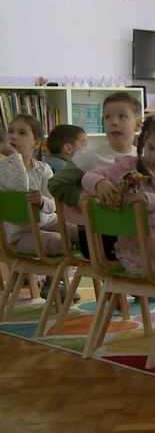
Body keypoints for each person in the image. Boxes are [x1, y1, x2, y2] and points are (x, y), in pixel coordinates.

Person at [82, 114, 155, 284]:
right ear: (145, 140)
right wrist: (100, 183)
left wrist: (146, 198)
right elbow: (88, 177)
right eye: (150, 148)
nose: (154, 157)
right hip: (134, 253)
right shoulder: (128, 165)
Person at [49, 91, 141, 259]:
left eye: (122, 117)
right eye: (108, 117)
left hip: (135, 235)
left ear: (138, 125)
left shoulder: (143, 159)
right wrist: (78, 197)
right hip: (98, 239)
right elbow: (55, 183)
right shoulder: (89, 156)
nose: (114, 122)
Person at [0, 114, 79, 301]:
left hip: (47, 221)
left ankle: (55, 280)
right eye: (11, 131)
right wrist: (14, 156)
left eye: (22, 133)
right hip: (19, 234)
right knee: (60, 242)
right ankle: (54, 281)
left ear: (36, 143)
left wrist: (42, 201)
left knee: (81, 232)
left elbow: (53, 205)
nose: (14, 136)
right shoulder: (3, 169)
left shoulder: (43, 169)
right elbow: (20, 187)